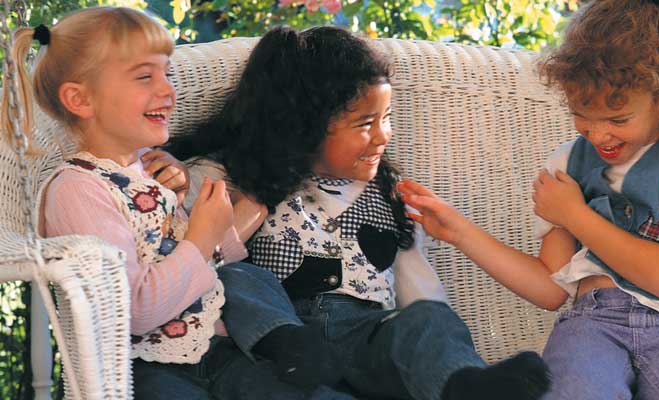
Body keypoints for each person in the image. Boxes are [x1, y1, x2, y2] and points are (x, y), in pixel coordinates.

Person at [166, 25, 551, 400]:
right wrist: (172, 171)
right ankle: (294, 351)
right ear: (303, 126)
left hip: (370, 337)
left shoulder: (389, 194)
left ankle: (464, 387)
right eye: (366, 123)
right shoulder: (232, 178)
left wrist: (440, 351)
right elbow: (180, 246)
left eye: (386, 118)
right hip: (287, 347)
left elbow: (417, 286)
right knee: (240, 277)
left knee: (427, 317)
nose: (384, 136)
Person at [398, 0, 659, 399]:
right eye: (582, 114)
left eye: (618, 120)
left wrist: (575, 215)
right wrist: (458, 231)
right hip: (592, 324)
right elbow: (550, 289)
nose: (598, 135)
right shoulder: (566, 164)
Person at [7, 7, 355, 400]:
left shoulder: (148, 171)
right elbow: (134, 311)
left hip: (218, 349)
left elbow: (199, 264)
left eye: (167, 74)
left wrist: (205, 217)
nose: (168, 90)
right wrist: (202, 237)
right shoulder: (76, 189)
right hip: (146, 369)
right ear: (79, 99)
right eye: (144, 77)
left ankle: (288, 342)